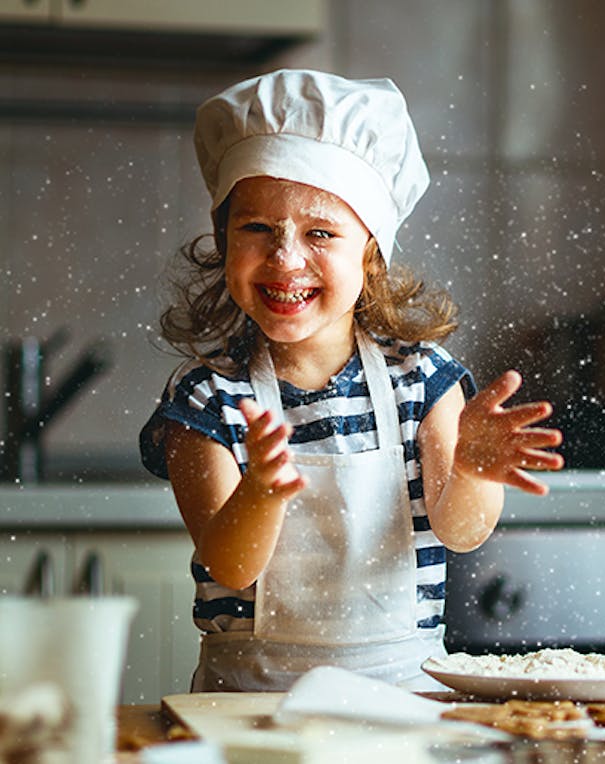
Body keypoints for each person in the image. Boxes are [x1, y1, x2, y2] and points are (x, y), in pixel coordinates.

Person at [139, 69, 563, 692]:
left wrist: (471, 470)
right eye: (256, 228)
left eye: (320, 233)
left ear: (370, 253)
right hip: (251, 704)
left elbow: (461, 533)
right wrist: (261, 490)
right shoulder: (206, 400)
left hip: (405, 696)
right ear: (223, 241)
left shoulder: (423, 379)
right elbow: (229, 565)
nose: (285, 258)